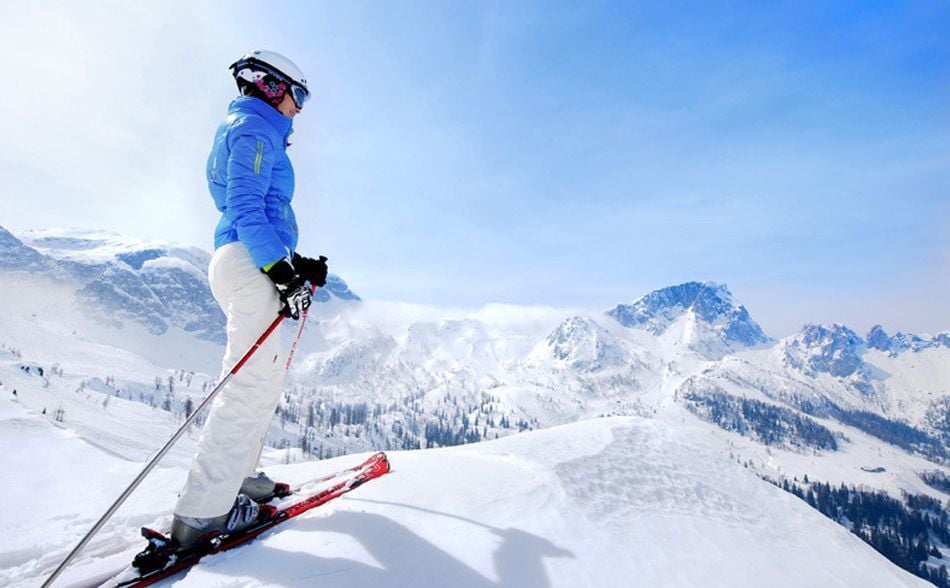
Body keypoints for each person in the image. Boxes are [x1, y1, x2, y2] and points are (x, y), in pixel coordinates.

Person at [171, 49, 328, 548]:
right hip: (248, 261)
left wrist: (293, 264)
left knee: (261, 382)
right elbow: (244, 207)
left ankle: (238, 477)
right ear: (270, 87)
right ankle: (202, 514)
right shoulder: (255, 130)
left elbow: (257, 211)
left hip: (249, 258)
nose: (299, 109)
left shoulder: (253, 130)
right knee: (246, 388)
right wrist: (280, 270)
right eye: (297, 96)